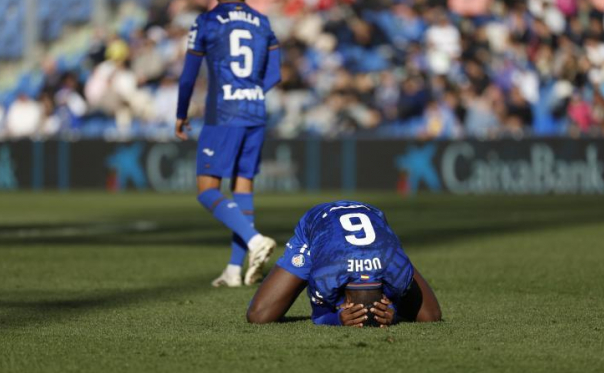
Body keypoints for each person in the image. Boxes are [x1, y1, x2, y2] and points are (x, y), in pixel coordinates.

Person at [175, 0, 282, 287]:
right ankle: (234, 270)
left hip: (223, 113)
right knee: (243, 184)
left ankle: (255, 240)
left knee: (206, 190)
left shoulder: (207, 21)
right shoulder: (262, 21)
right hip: (256, 112)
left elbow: (188, 76)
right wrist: (250, 93)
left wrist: (181, 114)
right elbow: (275, 74)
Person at [247, 201, 442, 327]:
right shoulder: (326, 274)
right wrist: (336, 319)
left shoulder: (397, 268)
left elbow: (433, 314)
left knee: (427, 316)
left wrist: (395, 315)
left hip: (380, 241)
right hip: (320, 223)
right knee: (260, 315)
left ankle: (386, 250)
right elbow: (319, 315)